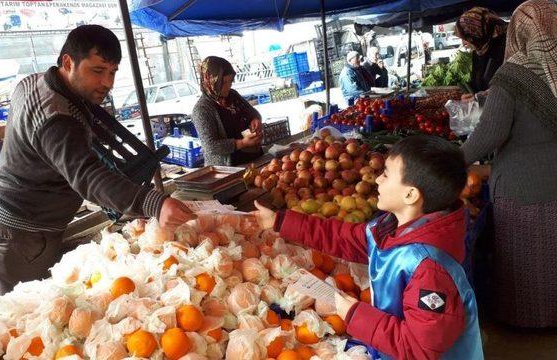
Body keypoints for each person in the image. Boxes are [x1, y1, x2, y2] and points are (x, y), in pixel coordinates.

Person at [0, 25, 196, 295]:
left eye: (112, 72)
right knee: (27, 314)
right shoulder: (56, 118)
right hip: (19, 233)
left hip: (12, 220)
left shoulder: (35, 82)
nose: (108, 83)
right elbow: (88, 175)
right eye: (97, 71)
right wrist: (153, 202)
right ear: (68, 62)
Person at [255, 135, 483, 359]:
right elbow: (341, 237)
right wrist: (280, 221)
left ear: (410, 194)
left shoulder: (429, 268)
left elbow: (419, 349)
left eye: (385, 174)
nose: (377, 180)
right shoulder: (389, 228)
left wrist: (355, 316)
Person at [461, 0, 557, 328]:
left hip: (522, 186)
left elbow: (490, 133)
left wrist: (452, 159)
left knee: (527, 256)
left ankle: (529, 321)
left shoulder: (514, 73)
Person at [191, 56, 263, 166]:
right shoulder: (202, 110)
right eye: (223, 82)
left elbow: (253, 113)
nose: (228, 86)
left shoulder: (233, 95)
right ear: (211, 82)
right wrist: (242, 143)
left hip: (254, 159)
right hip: (229, 169)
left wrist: (256, 119)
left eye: (230, 81)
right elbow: (210, 146)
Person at [455, 7, 508, 103]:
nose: (463, 43)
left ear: (476, 32)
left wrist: (481, 97)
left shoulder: (508, 48)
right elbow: (477, 82)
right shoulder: (479, 51)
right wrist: (468, 95)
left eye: (466, 37)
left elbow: (511, 87)